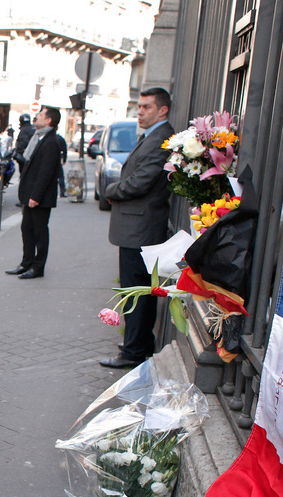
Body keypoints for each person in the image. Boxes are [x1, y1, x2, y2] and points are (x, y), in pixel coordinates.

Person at [100, 87, 174, 369]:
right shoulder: (154, 136)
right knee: (137, 291)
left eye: (146, 107)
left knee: (136, 292)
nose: (139, 112)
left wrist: (112, 189)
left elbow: (141, 181)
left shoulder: (160, 138)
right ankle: (137, 345)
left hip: (140, 228)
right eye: (139, 107)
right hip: (137, 226)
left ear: (162, 110)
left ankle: (133, 352)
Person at [4, 106, 62, 280]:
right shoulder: (39, 137)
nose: (36, 117)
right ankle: (26, 263)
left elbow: (46, 172)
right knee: (26, 229)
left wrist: (35, 197)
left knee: (39, 233)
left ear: (49, 120)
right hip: (30, 195)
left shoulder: (52, 142)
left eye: (40, 115)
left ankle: (38, 267)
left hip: (40, 198)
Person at [56, 131, 68, 197]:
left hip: (49, 159)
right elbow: (65, 150)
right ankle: (62, 192)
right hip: (57, 159)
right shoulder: (60, 138)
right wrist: (64, 159)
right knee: (60, 176)